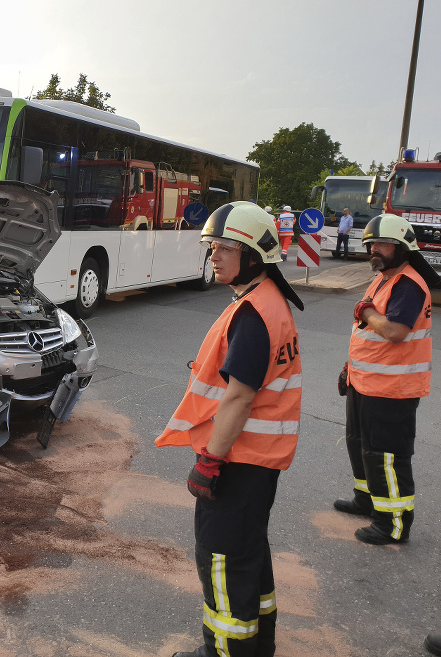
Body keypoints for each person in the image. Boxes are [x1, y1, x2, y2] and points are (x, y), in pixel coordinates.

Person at [157, 201, 304, 657]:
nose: (213, 256)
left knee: (222, 559)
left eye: (224, 248)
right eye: (212, 247)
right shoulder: (267, 302)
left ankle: (224, 651)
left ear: (255, 256)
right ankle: (257, 647)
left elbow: (239, 396)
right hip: (258, 462)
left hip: (237, 461)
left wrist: (209, 461)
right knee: (247, 554)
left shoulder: (254, 312)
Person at [334, 214, 438, 545]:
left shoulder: (408, 284)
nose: (374, 250)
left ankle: (393, 523)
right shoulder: (384, 277)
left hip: (393, 389)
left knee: (386, 455)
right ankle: (367, 500)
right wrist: (349, 368)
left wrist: (364, 311)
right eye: (371, 244)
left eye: (383, 245)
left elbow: (393, 332)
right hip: (365, 382)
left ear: (403, 249)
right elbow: (368, 334)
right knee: (359, 445)